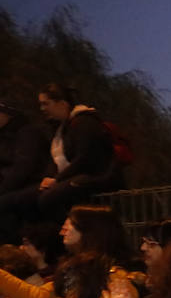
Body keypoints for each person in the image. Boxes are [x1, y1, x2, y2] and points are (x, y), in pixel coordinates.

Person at [0, 205, 138, 298]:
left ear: (90, 230)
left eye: (71, 222)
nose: (63, 229)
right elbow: (37, 297)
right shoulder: (76, 271)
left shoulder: (115, 277)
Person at [33, 83, 125, 220]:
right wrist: (49, 179)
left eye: (46, 104)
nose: (42, 109)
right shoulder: (63, 128)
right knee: (30, 197)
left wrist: (57, 180)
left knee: (46, 200)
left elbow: (85, 159)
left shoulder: (84, 123)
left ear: (62, 104)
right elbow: (57, 159)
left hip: (98, 177)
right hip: (79, 177)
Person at [0, 98, 50, 240]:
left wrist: (2, 190)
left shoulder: (28, 133)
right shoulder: (4, 135)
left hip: (30, 184)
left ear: (8, 113)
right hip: (11, 186)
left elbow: (23, 169)